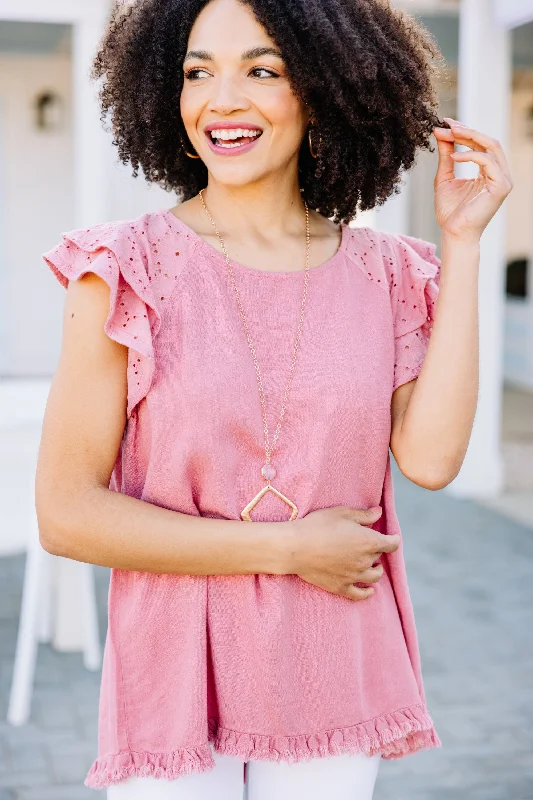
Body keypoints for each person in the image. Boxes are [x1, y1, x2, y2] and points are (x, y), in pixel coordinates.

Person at [36, 0, 513, 798]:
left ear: (327, 87)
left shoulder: (389, 274)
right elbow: (66, 514)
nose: (221, 99)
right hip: (178, 682)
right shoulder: (123, 269)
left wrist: (461, 247)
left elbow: (430, 459)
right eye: (197, 72)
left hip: (332, 667)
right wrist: (287, 549)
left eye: (262, 70)